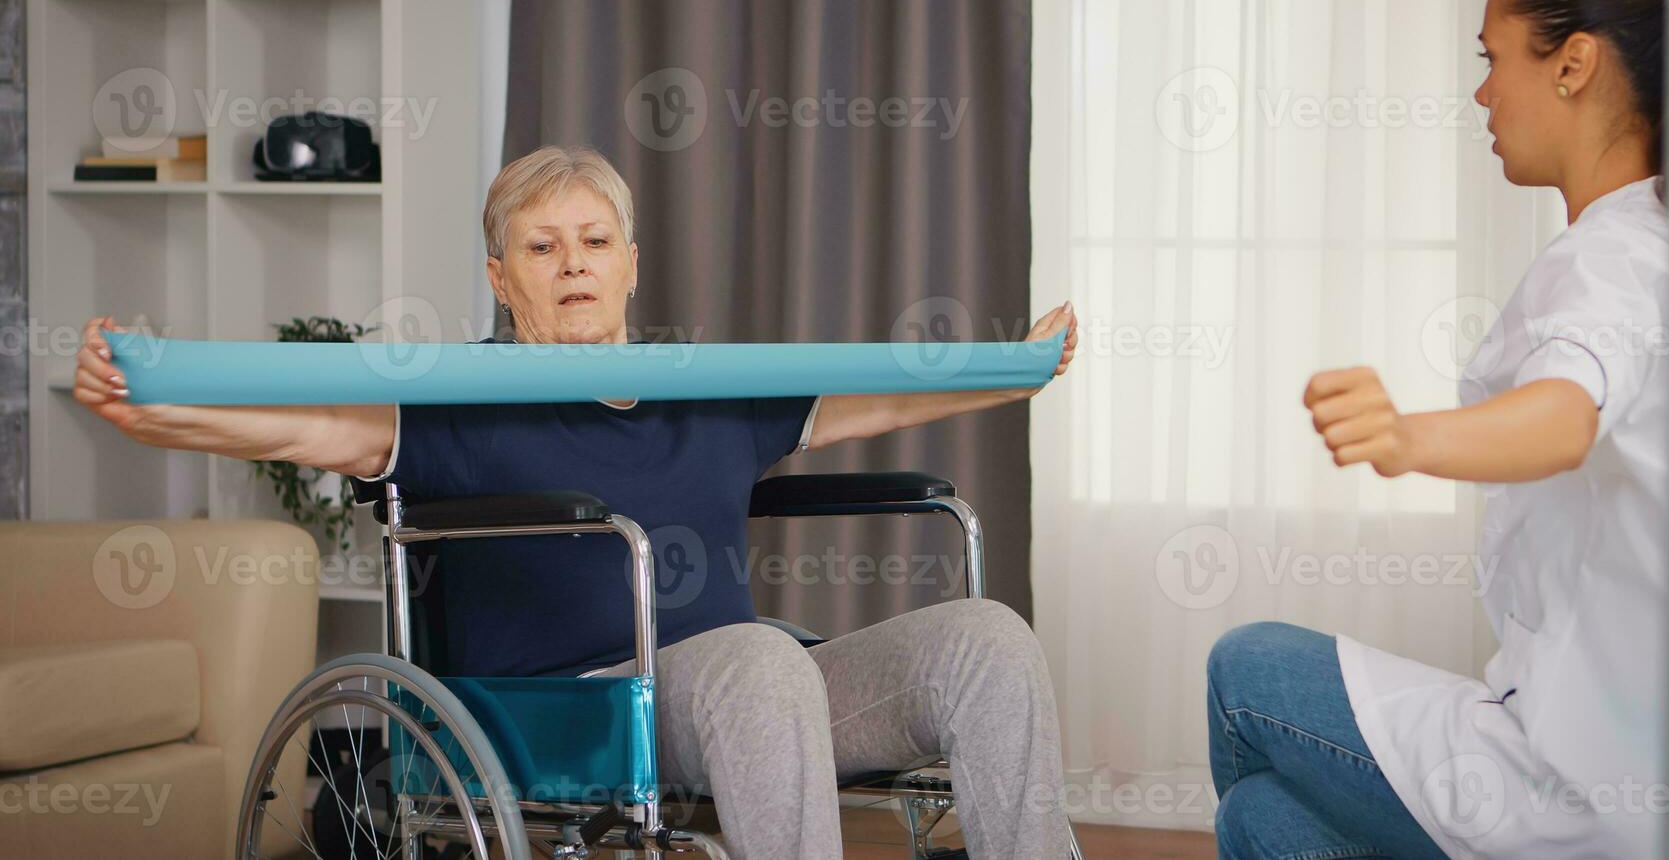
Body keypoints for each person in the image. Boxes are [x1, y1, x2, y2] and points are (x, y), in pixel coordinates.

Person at [75, 145, 1081, 859]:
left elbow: (887, 392)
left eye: (594, 241)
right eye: (542, 247)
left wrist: (1019, 371)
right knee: (759, 655)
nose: (573, 266)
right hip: (574, 711)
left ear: (630, 262)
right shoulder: (453, 400)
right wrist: (151, 406)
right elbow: (294, 429)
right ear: (499, 277)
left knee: (984, 639)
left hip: (748, 692)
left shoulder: (708, 387)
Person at [1206, 0, 1669, 860]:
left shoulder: (1613, 256)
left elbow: (1565, 414)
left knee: (1243, 668)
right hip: (1615, 761)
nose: (1482, 91)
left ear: (1573, 64)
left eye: (1495, 56)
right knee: (1258, 822)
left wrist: (1408, 438)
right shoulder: (1663, 241)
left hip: (1586, 790)